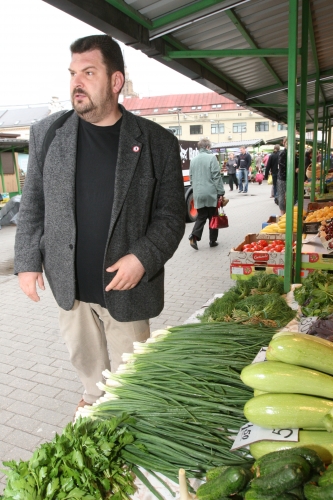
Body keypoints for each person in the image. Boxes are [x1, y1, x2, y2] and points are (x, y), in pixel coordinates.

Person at [14, 35, 185, 413]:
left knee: (132, 378)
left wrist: (142, 257)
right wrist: (27, 261)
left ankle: (130, 415)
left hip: (127, 286)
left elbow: (172, 217)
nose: (77, 82)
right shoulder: (48, 134)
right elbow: (33, 203)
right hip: (70, 285)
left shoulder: (157, 143)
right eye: (73, 73)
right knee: (86, 363)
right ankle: (92, 399)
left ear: (115, 81)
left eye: (89, 72)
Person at [188, 138, 225, 250]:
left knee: (201, 217)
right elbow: (216, 176)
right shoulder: (212, 158)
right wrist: (221, 192)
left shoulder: (193, 160)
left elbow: (191, 179)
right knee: (213, 216)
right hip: (210, 193)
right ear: (208, 147)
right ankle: (212, 241)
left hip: (198, 194)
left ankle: (193, 236)